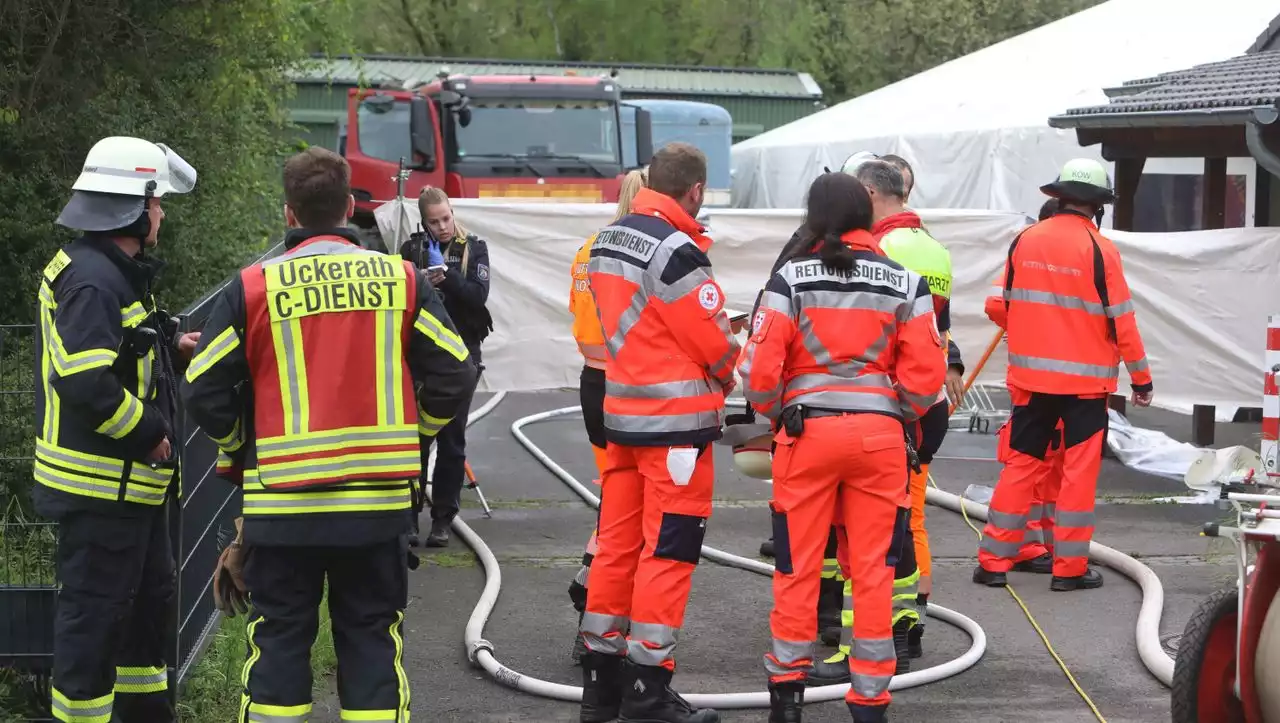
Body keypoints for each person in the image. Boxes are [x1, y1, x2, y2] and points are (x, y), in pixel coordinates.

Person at [180, 147, 479, 722]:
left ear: (289, 214)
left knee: (279, 645)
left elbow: (202, 389)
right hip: (378, 507)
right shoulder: (402, 279)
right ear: (349, 206)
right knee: (371, 643)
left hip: (282, 509)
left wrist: (244, 445)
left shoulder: (254, 289)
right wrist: (414, 434)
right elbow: (456, 372)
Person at [740, 171, 945, 723]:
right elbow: (927, 382)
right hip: (880, 441)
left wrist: (781, 404)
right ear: (868, 215)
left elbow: (758, 376)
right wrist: (890, 409)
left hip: (806, 436)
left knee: (797, 567)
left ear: (815, 218)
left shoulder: (790, 278)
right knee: (874, 571)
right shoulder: (905, 282)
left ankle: (786, 696)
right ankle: (871, 701)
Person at [32, 136, 200, 723]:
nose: (161, 216)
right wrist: (150, 432)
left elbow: (117, 350)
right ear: (134, 203)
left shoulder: (109, 270)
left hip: (130, 492)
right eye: (157, 205)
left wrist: (170, 347)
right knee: (95, 625)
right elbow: (84, 383)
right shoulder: (95, 280)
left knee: (146, 611)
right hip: (102, 488)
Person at [577, 142, 740, 723]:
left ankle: (601, 682)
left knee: (617, 547)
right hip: (675, 432)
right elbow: (713, 343)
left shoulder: (606, 240)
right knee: (668, 553)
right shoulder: (677, 251)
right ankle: (648, 687)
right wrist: (731, 362)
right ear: (694, 190)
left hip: (622, 419)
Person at [973, 158, 1153, 591]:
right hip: (1086, 388)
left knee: (1020, 468)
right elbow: (1122, 320)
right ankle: (1068, 570)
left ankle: (993, 562)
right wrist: (1141, 378)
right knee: (1077, 476)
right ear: (1098, 205)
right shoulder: (1100, 250)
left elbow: (1003, 305)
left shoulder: (1025, 241)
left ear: (1060, 195)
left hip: (1032, 381)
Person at [566, 167, 648, 664]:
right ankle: (595, 588)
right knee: (628, 508)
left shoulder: (588, 248)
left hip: (592, 381)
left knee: (615, 495)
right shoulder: (641, 252)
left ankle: (596, 600)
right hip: (631, 386)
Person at [399, 186, 493, 547]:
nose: (442, 227)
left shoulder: (474, 248)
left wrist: (446, 277)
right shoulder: (410, 250)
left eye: (447, 218)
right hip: (421, 356)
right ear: (423, 222)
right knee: (414, 439)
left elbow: (478, 297)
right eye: (434, 222)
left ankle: (443, 519)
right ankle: (409, 519)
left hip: (462, 354)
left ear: (453, 213)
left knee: (452, 439)